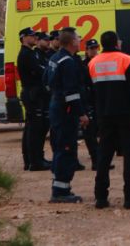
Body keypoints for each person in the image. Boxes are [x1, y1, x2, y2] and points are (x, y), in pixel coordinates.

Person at [89, 31, 130, 209]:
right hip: (128, 116)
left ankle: (100, 196)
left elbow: (92, 91)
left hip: (104, 116)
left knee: (104, 155)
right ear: (116, 43)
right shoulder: (126, 61)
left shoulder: (93, 63)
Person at [45, 27, 89, 203]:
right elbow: (72, 93)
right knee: (66, 148)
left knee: (59, 147)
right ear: (72, 42)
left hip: (56, 107)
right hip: (65, 111)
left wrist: (57, 96)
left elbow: (46, 81)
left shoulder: (55, 58)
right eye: (78, 38)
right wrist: (81, 114)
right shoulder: (68, 62)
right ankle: (60, 191)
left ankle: (60, 185)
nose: (80, 40)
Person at [17, 28, 50, 171]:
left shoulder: (31, 53)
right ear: (23, 38)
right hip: (32, 93)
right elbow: (39, 71)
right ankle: (34, 161)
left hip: (35, 92)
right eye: (31, 36)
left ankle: (36, 158)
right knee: (34, 129)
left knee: (35, 127)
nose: (34, 38)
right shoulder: (26, 54)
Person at [80, 39, 102, 170]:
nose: (94, 50)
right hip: (88, 100)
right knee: (90, 132)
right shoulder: (83, 65)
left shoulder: (100, 62)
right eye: (91, 48)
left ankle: (100, 157)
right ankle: (95, 159)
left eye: (96, 48)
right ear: (86, 50)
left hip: (99, 100)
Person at [34, 32, 53, 168]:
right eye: (46, 40)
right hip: (35, 94)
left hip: (42, 94)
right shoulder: (32, 55)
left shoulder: (43, 55)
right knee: (37, 130)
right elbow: (42, 73)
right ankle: (35, 161)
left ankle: (38, 159)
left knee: (41, 129)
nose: (49, 42)